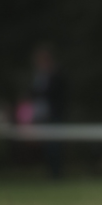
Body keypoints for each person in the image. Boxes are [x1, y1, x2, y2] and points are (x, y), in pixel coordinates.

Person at [30, 45, 66, 178]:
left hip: (53, 115)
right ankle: (50, 172)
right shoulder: (38, 76)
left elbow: (57, 95)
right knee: (46, 146)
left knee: (54, 145)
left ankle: (56, 173)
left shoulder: (56, 74)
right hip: (41, 115)